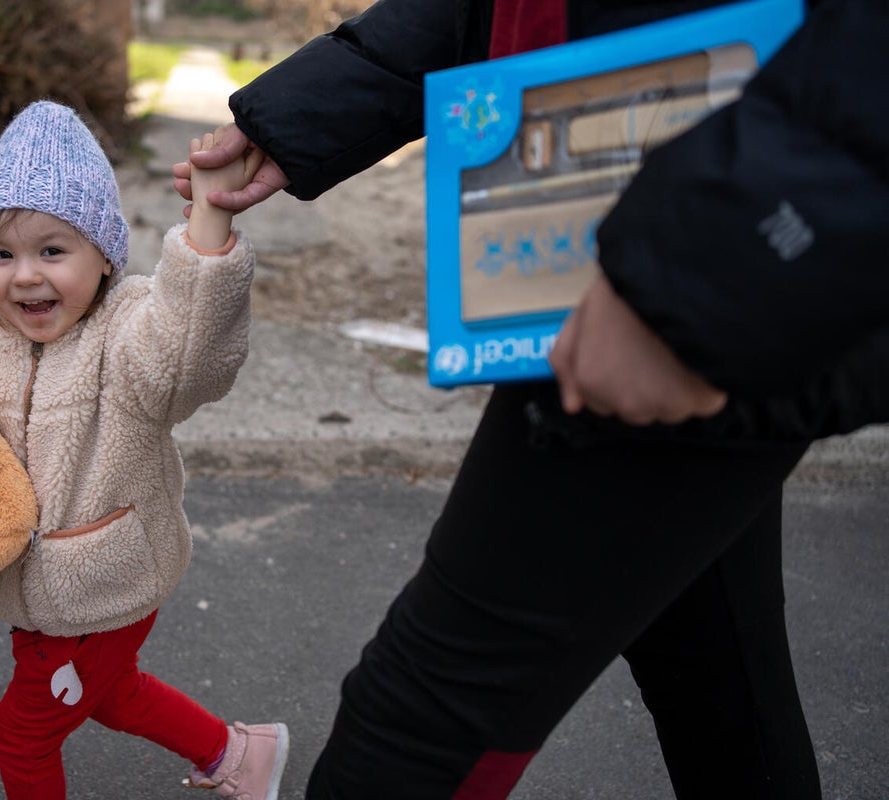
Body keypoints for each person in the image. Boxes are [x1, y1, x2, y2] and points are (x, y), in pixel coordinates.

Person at [174, 0, 889, 797]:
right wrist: (311, 108)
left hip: (690, 255)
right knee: (712, 671)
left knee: (415, 728)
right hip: (644, 231)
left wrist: (695, 273)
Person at [0, 100, 289, 800]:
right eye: (1, 253)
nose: (26, 276)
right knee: (112, 695)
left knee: (21, 736)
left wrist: (209, 224)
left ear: (104, 254)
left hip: (105, 584)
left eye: (53, 250)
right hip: (31, 595)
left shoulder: (128, 335)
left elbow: (190, 357)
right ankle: (237, 755)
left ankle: (235, 753)